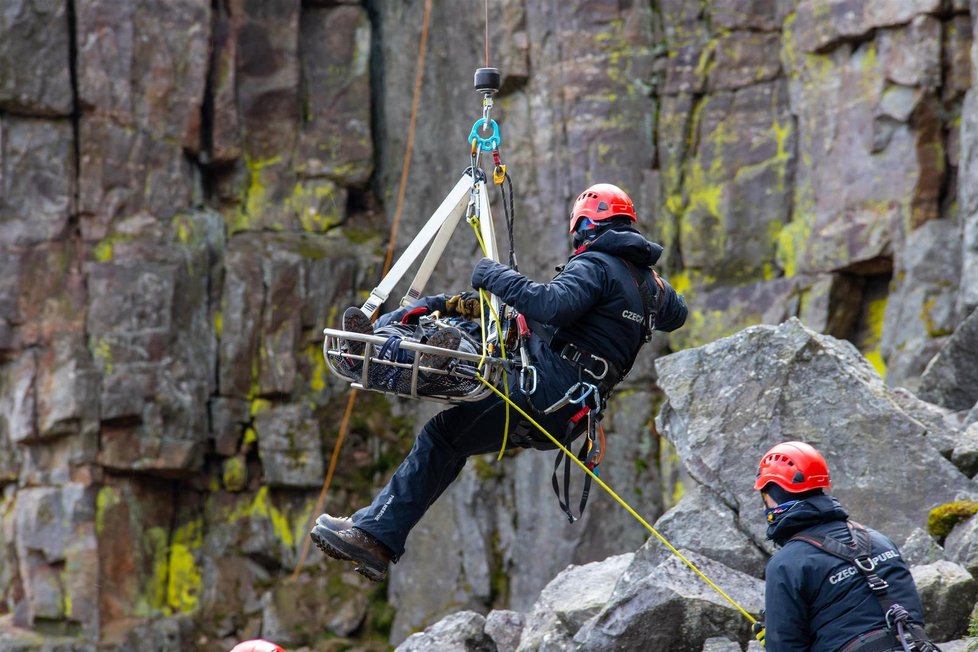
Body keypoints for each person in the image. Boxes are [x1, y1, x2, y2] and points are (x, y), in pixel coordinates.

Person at [311, 183, 687, 582]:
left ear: (583, 225)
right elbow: (673, 314)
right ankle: (375, 530)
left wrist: (493, 275)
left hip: (541, 390)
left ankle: (373, 534)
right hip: (568, 414)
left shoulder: (594, 265)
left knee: (441, 437)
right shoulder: (648, 286)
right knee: (450, 438)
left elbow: (550, 304)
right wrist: (648, 278)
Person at [755, 441, 938, 652]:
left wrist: (774, 638)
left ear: (777, 497)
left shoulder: (786, 564)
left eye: (765, 497)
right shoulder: (880, 540)